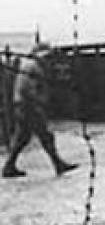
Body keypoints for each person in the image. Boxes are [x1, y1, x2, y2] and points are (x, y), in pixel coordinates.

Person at [3, 43, 78, 178]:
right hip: (29, 106)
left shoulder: (32, 66)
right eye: (46, 56)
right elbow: (27, 89)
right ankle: (58, 164)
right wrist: (39, 102)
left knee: (22, 138)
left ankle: (9, 166)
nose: (48, 59)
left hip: (24, 105)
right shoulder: (32, 67)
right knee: (46, 136)